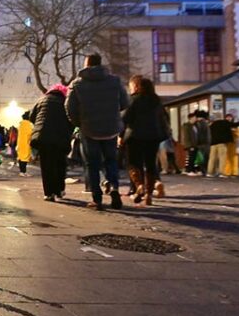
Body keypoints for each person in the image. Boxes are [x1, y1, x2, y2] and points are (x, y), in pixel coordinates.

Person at [66, 54, 130, 210]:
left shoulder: (77, 84)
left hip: (88, 129)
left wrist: (79, 123)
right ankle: (114, 188)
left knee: (92, 164)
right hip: (110, 129)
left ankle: (97, 198)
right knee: (111, 161)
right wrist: (112, 115)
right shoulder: (114, 81)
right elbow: (125, 102)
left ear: (86, 64)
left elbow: (69, 108)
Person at [122, 76, 169, 206]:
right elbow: (164, 118)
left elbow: (125, 118)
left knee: (133, 163)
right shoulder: (156, 101)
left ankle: (139, 186)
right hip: (153, 137)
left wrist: (121, 135)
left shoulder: (134, 100)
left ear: (137, 87)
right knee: (151, 165)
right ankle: (148, 195)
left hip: (135, 136)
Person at [30, 84, 73, 201]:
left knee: (46, 165)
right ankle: (59, 191)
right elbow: (72, 119)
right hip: (60, 137)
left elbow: (31, 116)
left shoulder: (41, 100)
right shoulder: (66, 102)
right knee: (60, 164)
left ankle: (48, 193)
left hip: (43, 137)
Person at [16, 112, 33, 177]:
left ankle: (22, 171)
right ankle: (23, 171)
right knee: (25, 158)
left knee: (21, 158)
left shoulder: (20, 124)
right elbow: (31, 133)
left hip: (20, 143)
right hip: (26, 143)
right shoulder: (30, 124)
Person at [195, 110, 211, 175]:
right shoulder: (205, 123)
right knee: (205, 157)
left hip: (202, 143)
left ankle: (203, 171)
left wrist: (197, 143)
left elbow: (199, 134)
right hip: (207, 143)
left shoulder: (200, 123)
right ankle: (204, 171)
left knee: (201, 158)